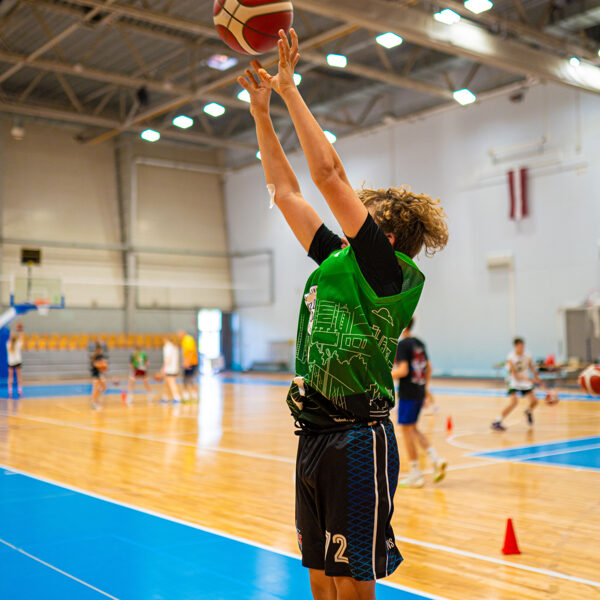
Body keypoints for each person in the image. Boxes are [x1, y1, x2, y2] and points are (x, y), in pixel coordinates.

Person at [237, 30, 448, 599]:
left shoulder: (387, 272)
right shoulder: (337, 257)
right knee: (320, 581)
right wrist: (261, 113)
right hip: (312, 432)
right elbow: (285, 191)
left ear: (389, 232)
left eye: (367, 211)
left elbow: (328, 176)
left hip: (360, 438)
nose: (354, 210)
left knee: (353, 587)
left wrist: (288, 90)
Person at [391, 318, 447, 488]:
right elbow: (429, 368)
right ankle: (436, 459)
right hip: (419, 390)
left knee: (406, 430)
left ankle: (416, 473)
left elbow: (403, 370)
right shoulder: (419, 343)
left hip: (408, 392)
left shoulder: (403, 345)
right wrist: (425, 387)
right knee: (413, 428)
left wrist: (383, 374)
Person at [492, 337, 540, 431]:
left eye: (523, 346)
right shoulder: (510, 357)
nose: (521, 348)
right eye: (519, 347)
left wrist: (535, 375)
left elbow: (531, 366)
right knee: (514, 402)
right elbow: (516, 375)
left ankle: (528, 411)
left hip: (525, 382)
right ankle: (497, 422)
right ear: (515, 347)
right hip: (513, 381)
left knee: (535, 401)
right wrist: (529, 380)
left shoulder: (527, 355)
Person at [178, 330, 199, 402]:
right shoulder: (184, 340)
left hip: (191, 363)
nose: (178, 336)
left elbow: (191, 352)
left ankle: (193, 395)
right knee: (186, 379)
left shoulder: (187, 340)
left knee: (189, 379)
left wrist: (187, 362)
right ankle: (188, 395)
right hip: (190, 362)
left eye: (179, 334)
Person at [160, 335, 181, 404]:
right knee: (166, 382)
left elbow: (168, 359)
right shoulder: (174, 347)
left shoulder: (167, 347)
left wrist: (163, 368)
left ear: (166, 340)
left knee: (172, 382)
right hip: (174, 367)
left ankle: (177, 397)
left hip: (169, 368)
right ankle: (165, 397)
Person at [6, 329, 24, 399]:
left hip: (11, 362)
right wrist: (20, 331)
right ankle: (20, 390)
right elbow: (21, 339)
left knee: (10, 376)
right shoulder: (17, 343)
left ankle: (10, 391)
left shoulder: (8, 344)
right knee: (19, 376)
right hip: (17, 361)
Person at [90, 342, 108, 410]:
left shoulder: (101, 356)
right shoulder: (94, 356)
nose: (101, 350)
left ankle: (96, 399)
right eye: (100, 349)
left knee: (104, 387)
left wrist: (104, 367)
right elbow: (96, 365)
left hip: (100, 374)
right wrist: (101, 365)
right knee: (95, 388)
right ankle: (93, 402)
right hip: (95, 373)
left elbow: (105, 365)